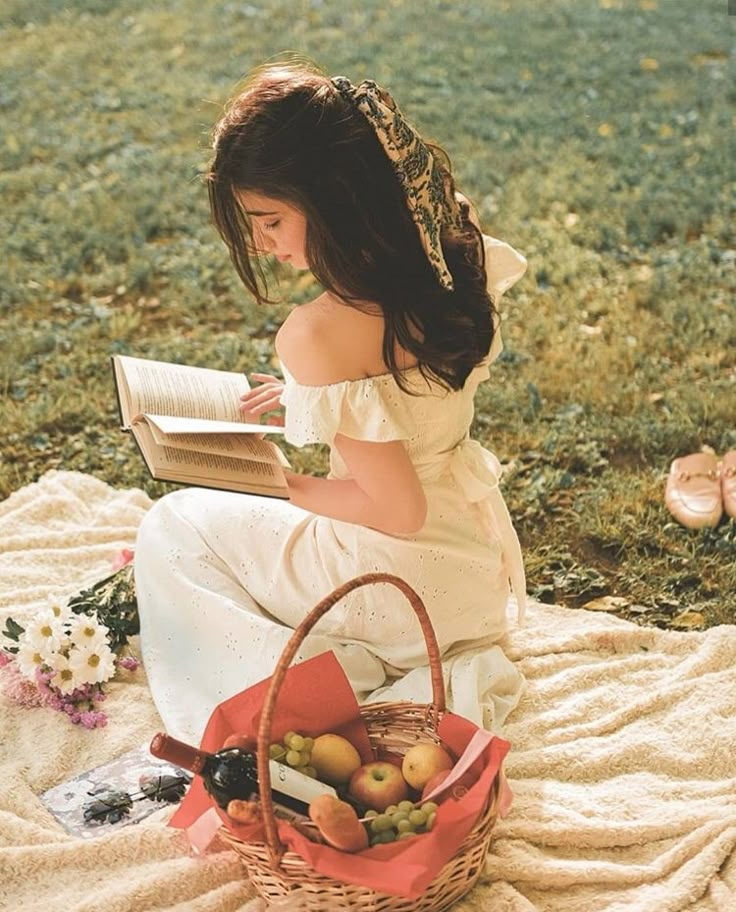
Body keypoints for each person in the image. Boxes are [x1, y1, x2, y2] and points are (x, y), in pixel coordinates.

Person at [134, 60, 529, 743]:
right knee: (234, 527)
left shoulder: (319, 333)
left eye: (271, 220)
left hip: (398, 587)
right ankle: (360, 661)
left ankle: (299, 691)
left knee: (175, 524)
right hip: (468, 575)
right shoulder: (452, 248)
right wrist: (301, 397)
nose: (262, 243)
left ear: (334, 203)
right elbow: (407, 399)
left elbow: (394, 511)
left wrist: (283, 484)